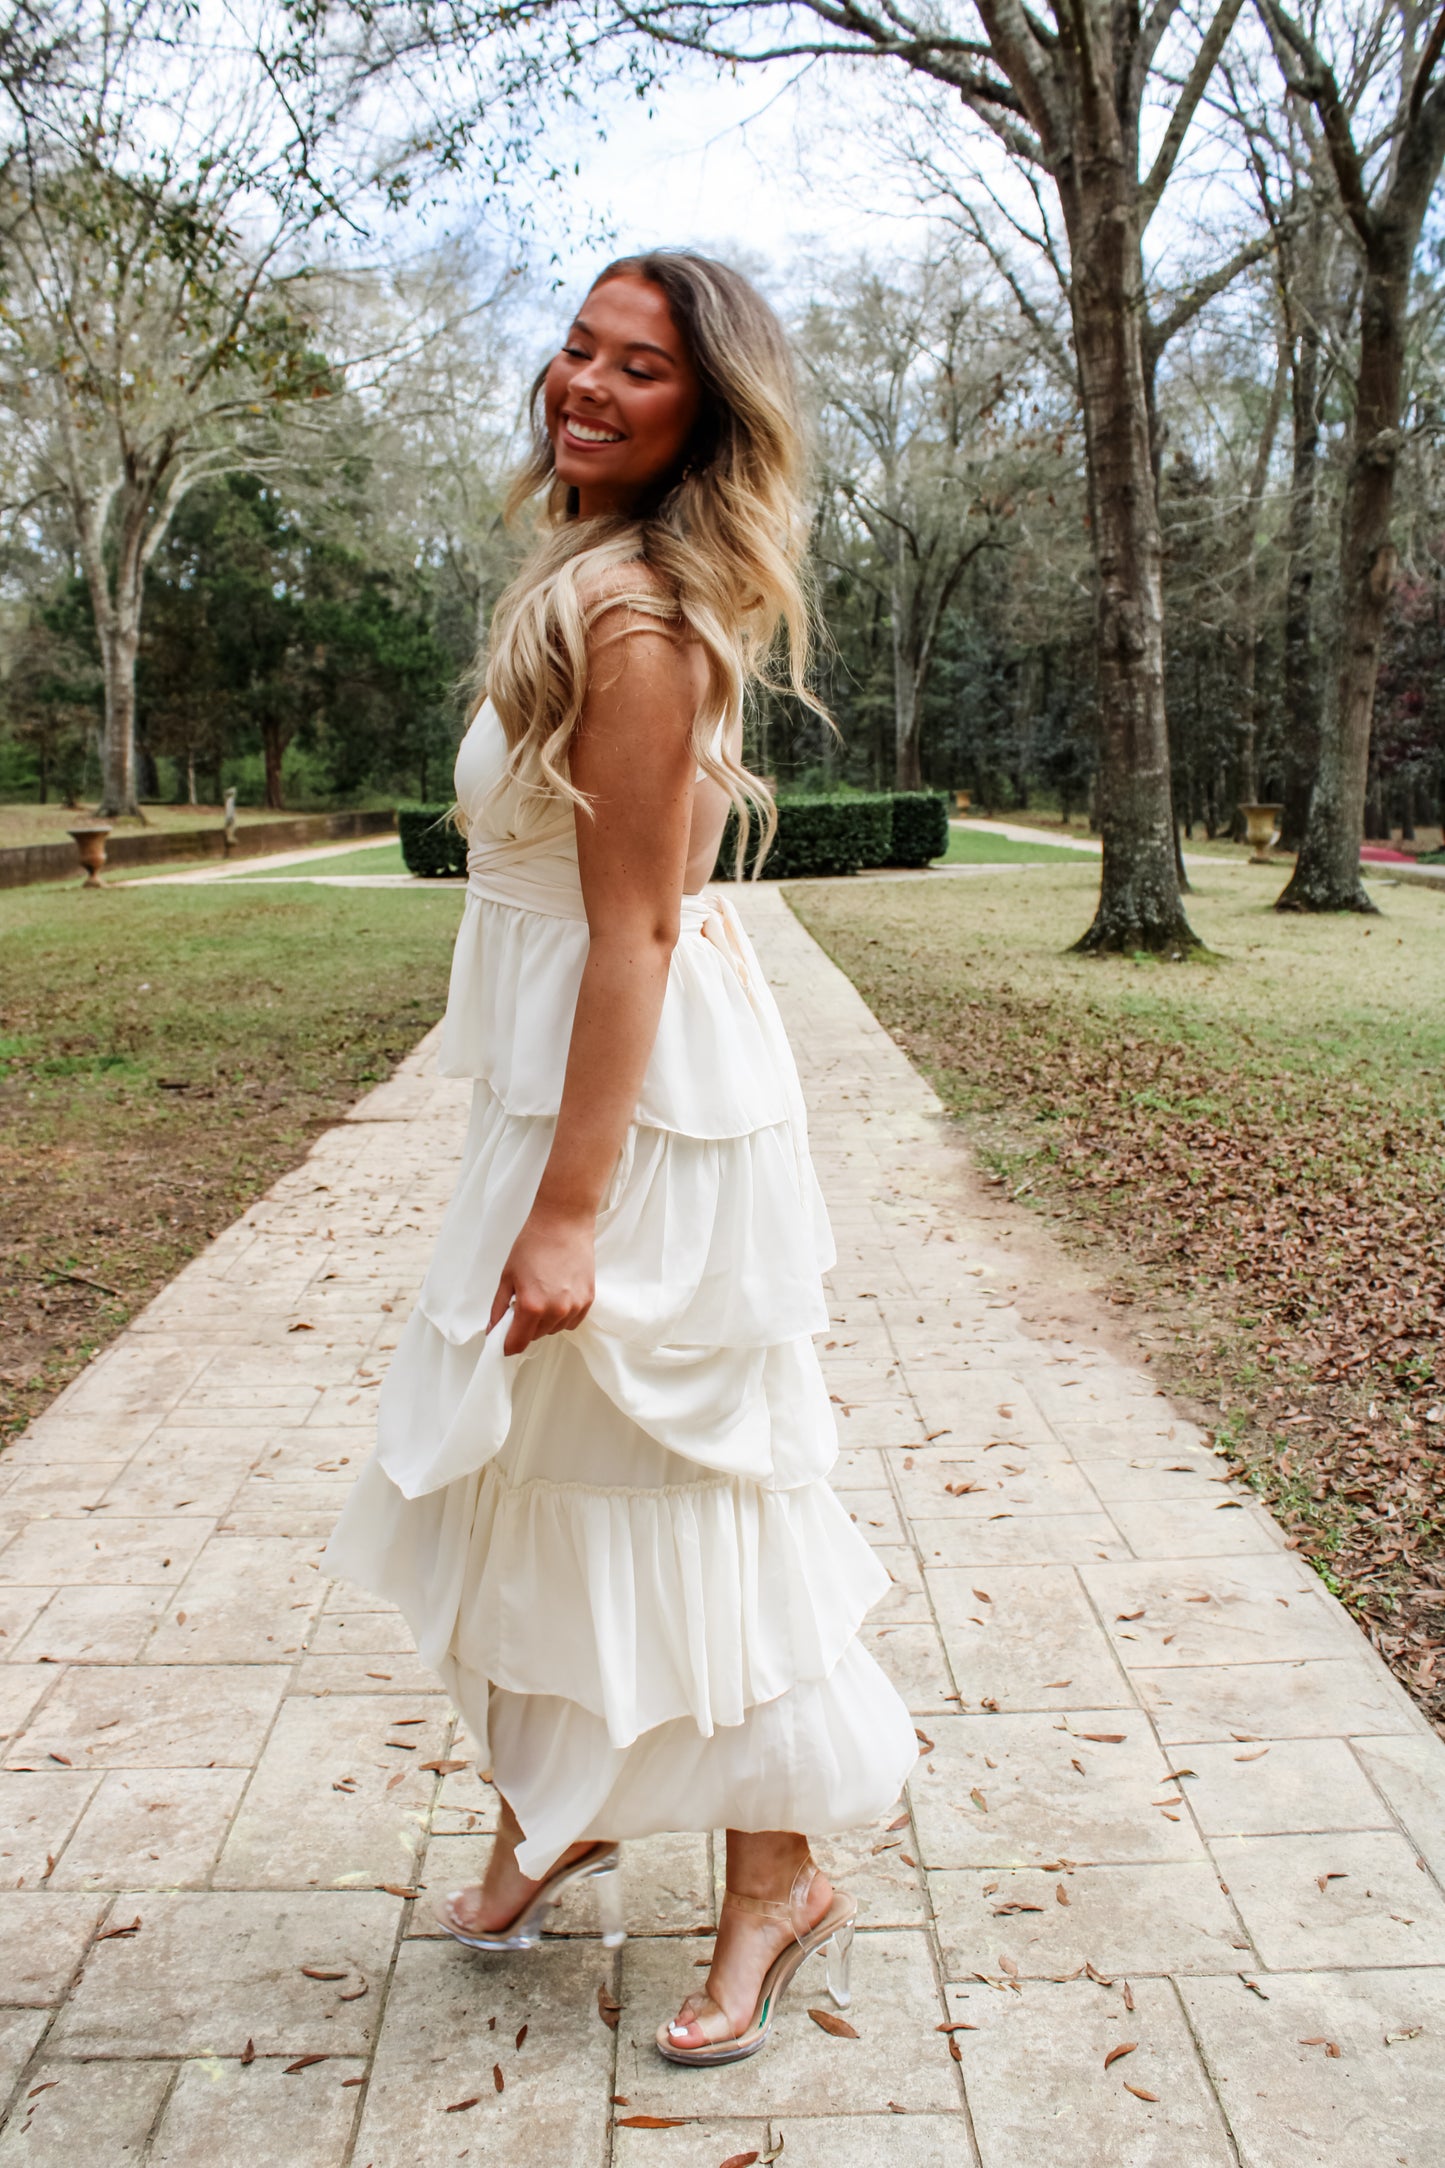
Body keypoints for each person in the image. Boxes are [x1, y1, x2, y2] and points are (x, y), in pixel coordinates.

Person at [321, 248, 917, 2066]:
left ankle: (772, 1881)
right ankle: (556, 1814)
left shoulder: (640, 618)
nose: (582, 380)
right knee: (536, 1476)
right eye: (577, 345)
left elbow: (636, 932)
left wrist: (570, 1207)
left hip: (643, 1125)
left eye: (635, 366)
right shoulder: (582, 579)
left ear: (701, 415)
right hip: (562, 1093)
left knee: (702, 1490)